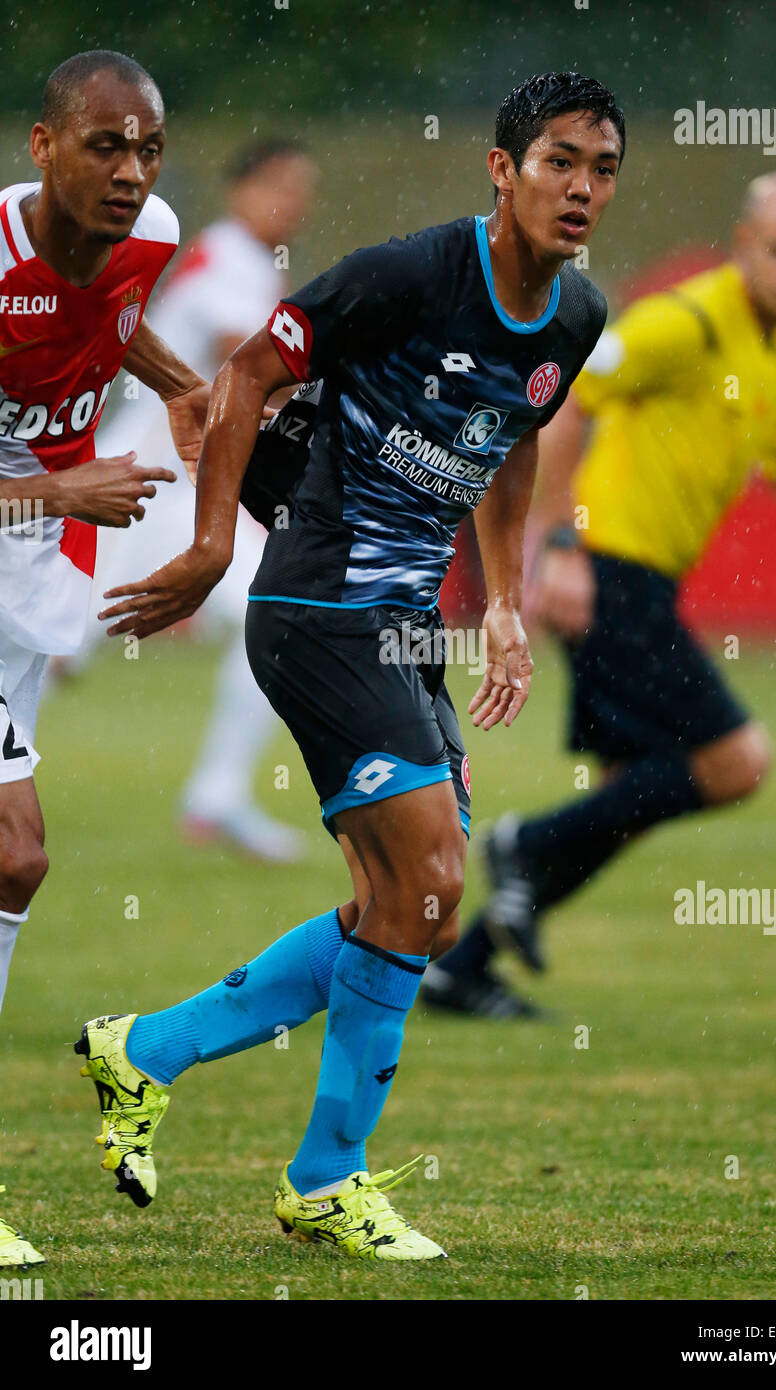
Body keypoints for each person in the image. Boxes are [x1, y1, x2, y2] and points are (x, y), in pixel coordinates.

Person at [73, 71, 621, 1260]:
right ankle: (327, 1178)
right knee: (423, 883)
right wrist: (216, 544)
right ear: (500, 168)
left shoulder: (573, 320)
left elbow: (509, 439)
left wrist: (509, 606)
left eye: (600, 168)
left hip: (407, 627)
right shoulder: (411, 273)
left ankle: (143, 1051)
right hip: (317, 604)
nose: (579, 188)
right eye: (557, 162)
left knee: (413, 909)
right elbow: (252, 375)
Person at [426, 171, 776, 1015]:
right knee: (736, 762)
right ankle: (522, 843)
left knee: (634, 792)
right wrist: (557, 546)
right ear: (743, 245)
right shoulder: (687, 321)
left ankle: (463, 965)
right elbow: (567, 398)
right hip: (607, 574)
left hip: (642, 587)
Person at [0, 48, 209, 1267]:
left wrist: (182, 385)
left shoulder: (154, 237)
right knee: (16, 854)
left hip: (27, 573)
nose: (131, 173)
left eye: (147, 150)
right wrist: (62, 483)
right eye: (103, 147)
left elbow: (109, 324)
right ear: (41, 148)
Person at [76, 138, 318, 861]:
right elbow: (238, 354)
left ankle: (218, 795)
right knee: (47, 643)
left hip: (188, 487)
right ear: (244, 188)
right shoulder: (225, 255)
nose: (295, 205)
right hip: (139, 481)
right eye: (283, 185)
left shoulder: (253, 265)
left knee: (278, 613)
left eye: (303, 190)